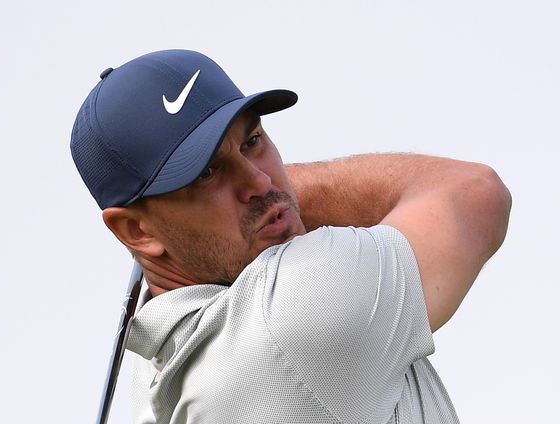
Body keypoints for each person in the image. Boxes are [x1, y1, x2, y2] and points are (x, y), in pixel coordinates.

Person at [71, 50, 511, 424]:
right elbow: (476, 193)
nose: (259, 182)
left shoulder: (149, 374)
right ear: (137, 230)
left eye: (253, 140)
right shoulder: (294, 311)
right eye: (206, 172)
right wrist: (283, 195)